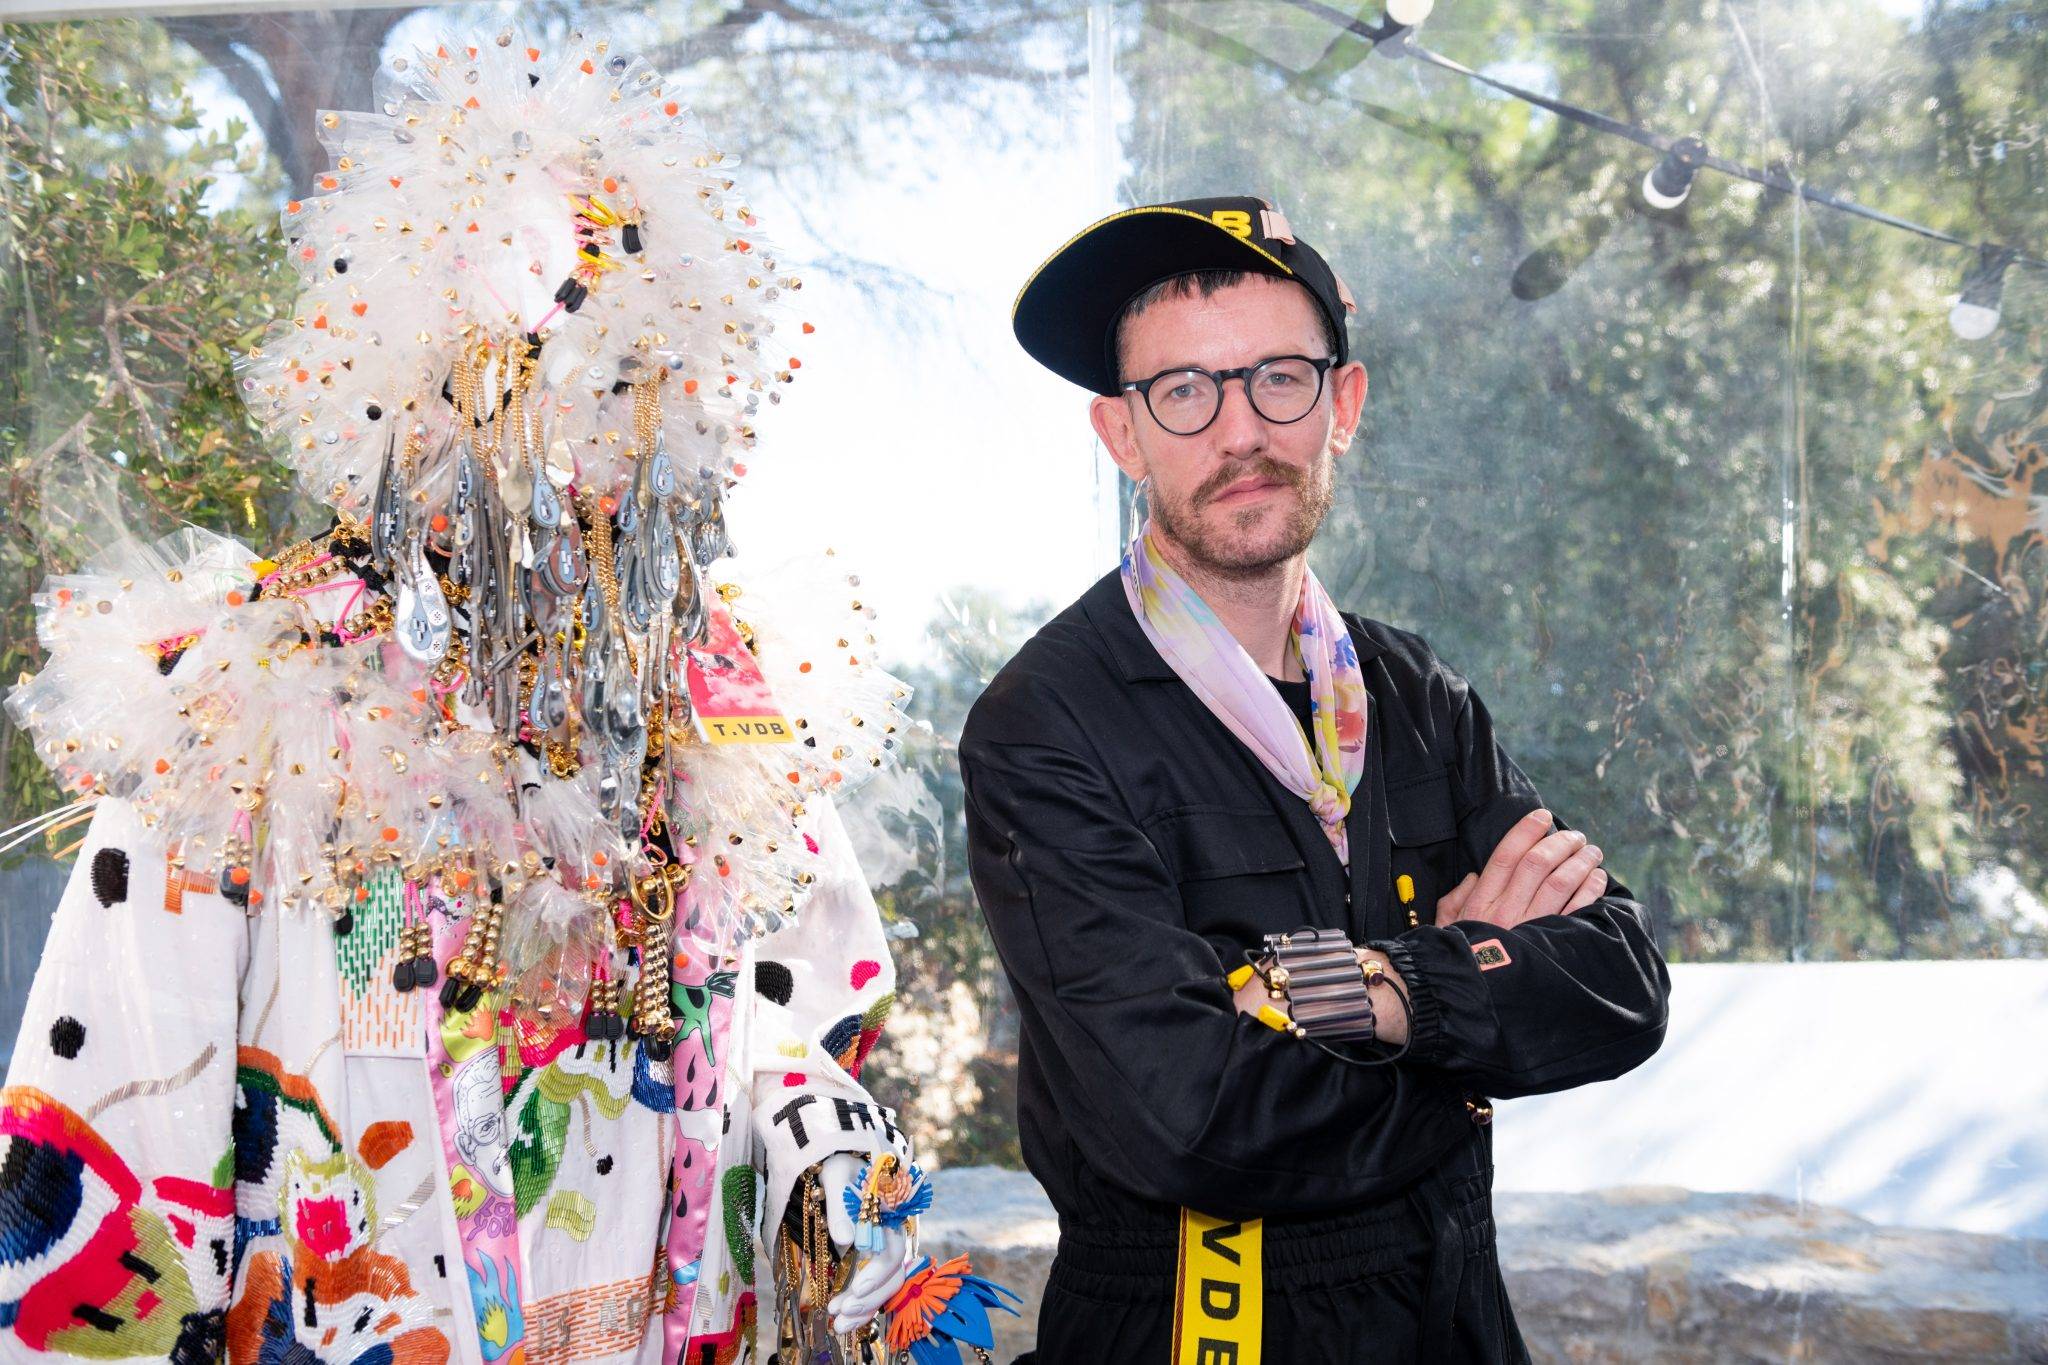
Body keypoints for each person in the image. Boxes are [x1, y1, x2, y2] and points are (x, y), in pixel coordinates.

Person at [0, 34, 1017, 1365]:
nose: (582, 414)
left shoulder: (715, 712)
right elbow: (113, 1132)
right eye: (534, 349)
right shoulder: (256, 697)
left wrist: (839, 1195)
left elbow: (789, 1021)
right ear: (414, 367)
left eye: (628, 371)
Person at [961, 196, 1673, 1363]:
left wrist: (1379, 991)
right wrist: (1473, 1047)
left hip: (1454, 1315)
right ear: (1120, 436)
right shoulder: (1043, 724)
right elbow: (1190, 1119)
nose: (1238, 432)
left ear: (1340, 405)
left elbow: (1622, 981)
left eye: (1277, 379)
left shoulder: (1411, 690)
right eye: (1182, 392)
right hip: (1196, 1320)